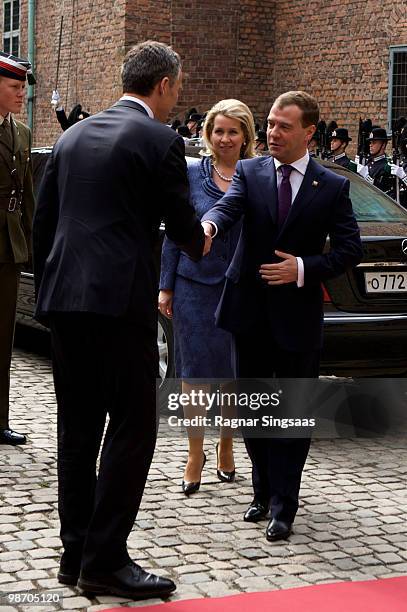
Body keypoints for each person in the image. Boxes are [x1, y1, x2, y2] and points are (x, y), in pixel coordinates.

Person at [33, 41, 206, 600]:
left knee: (77, 430)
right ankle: (105, 561)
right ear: (163, 86)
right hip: (119, 306)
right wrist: (203, 238)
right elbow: (183, 226)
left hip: (65, 302)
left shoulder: (72, 134)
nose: (176, 98)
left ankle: (75, 552)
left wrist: (51, 291)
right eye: (177, 89)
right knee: (134, 426)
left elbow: (45, 222)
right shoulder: (160, 139)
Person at [201, 91, 363, 543]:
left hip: (297, 315)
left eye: (283, 126)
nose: (272, 133)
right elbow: (227, 208)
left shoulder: (331, 186)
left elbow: (352, 248)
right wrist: (209, 226)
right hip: (247, 309)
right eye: (269, 124)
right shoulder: (250, 172)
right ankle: (262, 490)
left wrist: (303, 268)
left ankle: (283, 506)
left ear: (309, 133)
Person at [159, 99, 256, 495]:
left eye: (233, 131)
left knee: (232, 374)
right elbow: (173, 232)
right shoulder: (189, 173)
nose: (225, 138)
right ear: (208, 134)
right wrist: (165, 284)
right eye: (219, 131)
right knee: (194, 376)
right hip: (193, 289)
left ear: (246, 136)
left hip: (239, 288)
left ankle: (227, 444)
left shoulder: (257, 174)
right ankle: (194, 452)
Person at [0, 51, 35, 446]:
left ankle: (0, 418)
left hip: (9, 249)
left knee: (2, 339)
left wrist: (31, 241)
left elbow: (27, 196)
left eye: (22, 87)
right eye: (13, 87)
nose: (19, 93)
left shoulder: (22, 133)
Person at [357, 127, 394, 196]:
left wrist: (366, 176)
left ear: (383, 145)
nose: (370, 145)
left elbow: (382, 191)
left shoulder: (386, 166)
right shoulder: (369, 163)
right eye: (370, 142)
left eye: (374, 142)